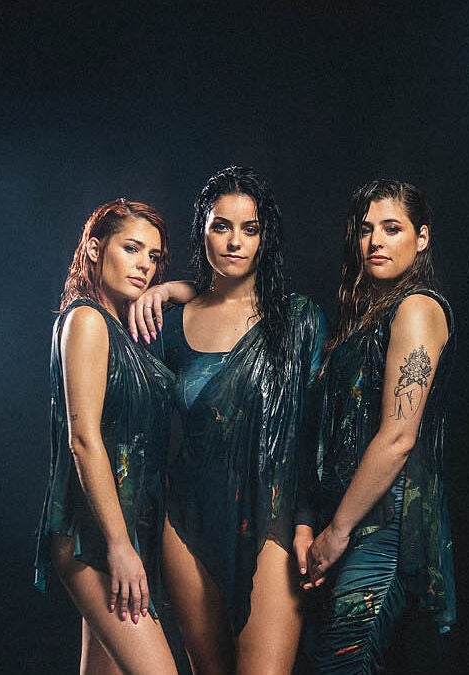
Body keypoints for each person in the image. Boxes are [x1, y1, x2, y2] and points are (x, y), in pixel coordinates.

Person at [128, 167, 325, 674]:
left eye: (250, 228)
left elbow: (311, 435)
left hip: (272, 515)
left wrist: (306, 522)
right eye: (221, 226)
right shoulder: (168, 324)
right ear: (203, 231)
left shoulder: (299, 319)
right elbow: (140, 431)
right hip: (186, 518)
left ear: (265, 238)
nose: (235, 241)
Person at [300, 179, 456, 674]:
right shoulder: (366, 315)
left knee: (343, 664)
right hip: (349, 516)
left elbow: (397, 437)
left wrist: (337, 531)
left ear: (422, 238)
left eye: (392, 229)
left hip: (382, 525)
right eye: (366, 230)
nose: (375, 242)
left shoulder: (417, 308)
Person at [34, 198, 179, 675]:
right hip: (93, 536)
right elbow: (83, 440)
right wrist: (119, 545)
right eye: (131, 248)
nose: (144, 265)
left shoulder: (121, 327)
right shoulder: (87, 320)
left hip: (121, 530)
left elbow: (206, 293)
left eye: (154, 256)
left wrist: (170, 290)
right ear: (95, 249)